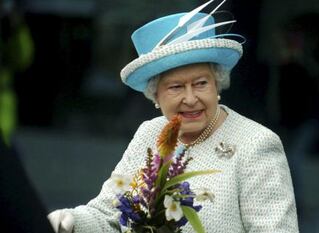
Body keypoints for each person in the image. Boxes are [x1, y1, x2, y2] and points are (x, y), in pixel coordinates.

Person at [47, 1, 298, 232]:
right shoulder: (150, 133)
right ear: (155, 95)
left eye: (200, 83)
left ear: (217, 84)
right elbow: (108, 214)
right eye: (176, 87)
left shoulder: (256, 144)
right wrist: (71, 221)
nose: (190, 98)